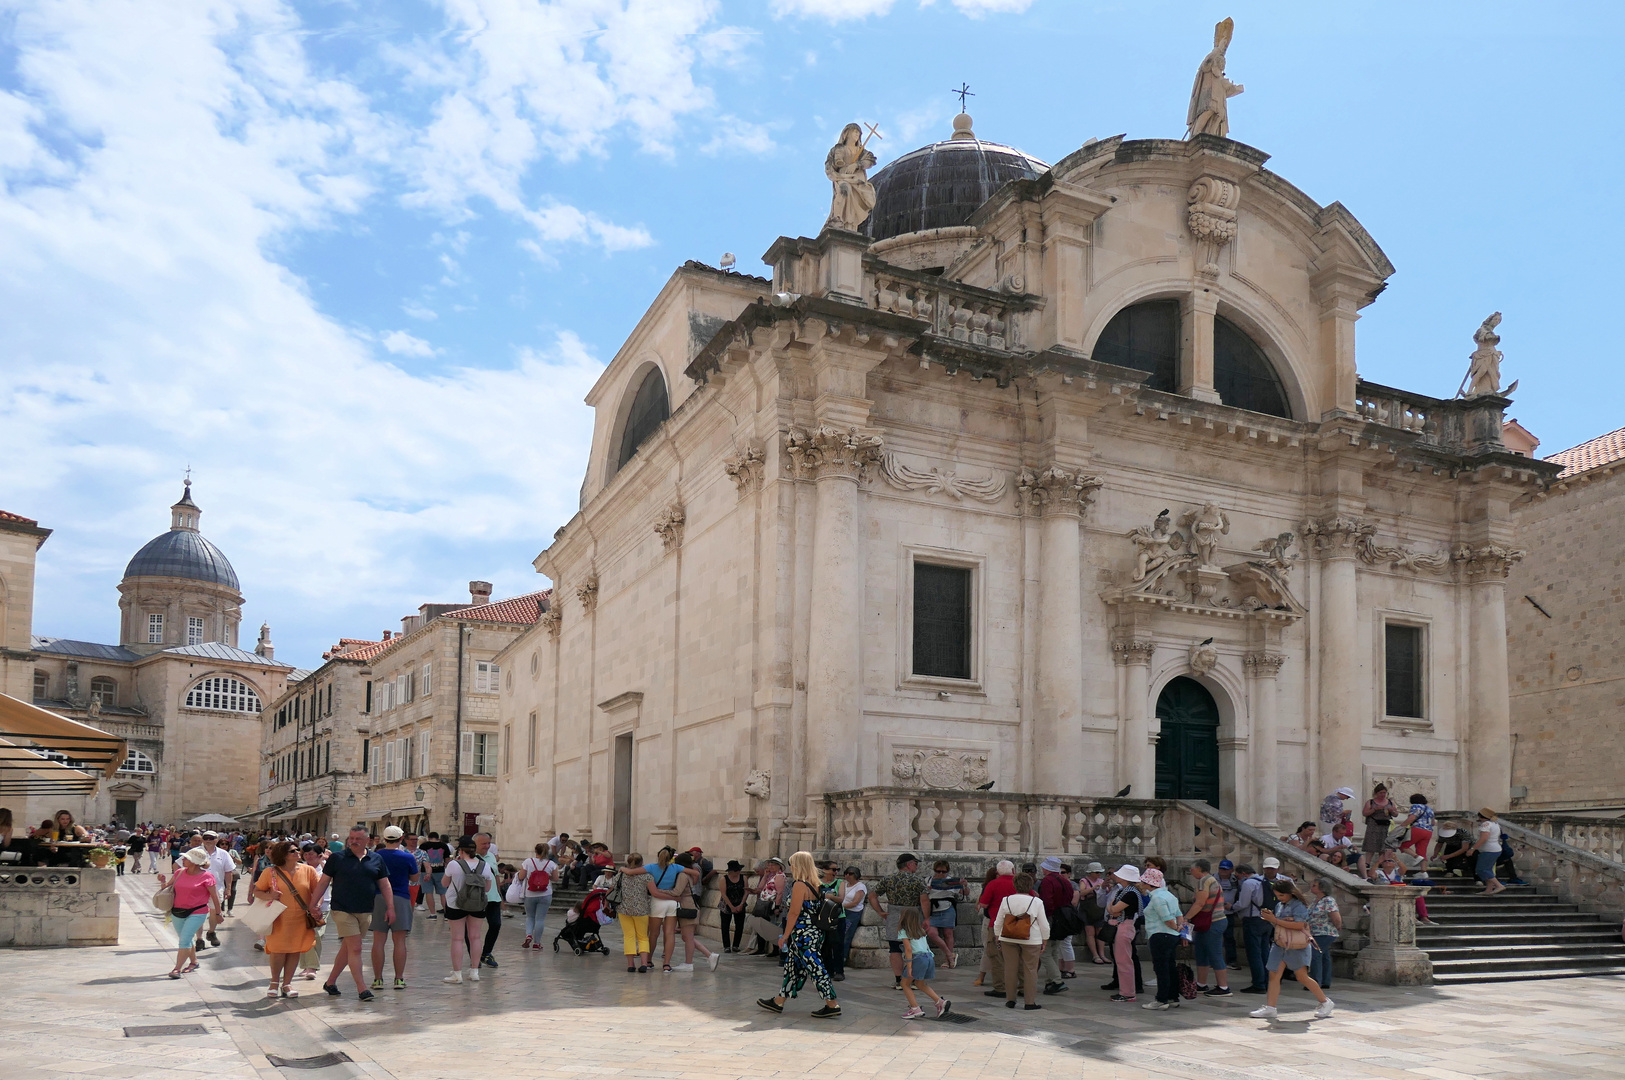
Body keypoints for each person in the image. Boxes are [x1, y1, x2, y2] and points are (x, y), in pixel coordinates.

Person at [755, 851, 841, 1019]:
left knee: (816, 968)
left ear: (799, 865)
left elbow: (794, 913)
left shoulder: (799, 885)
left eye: (792, 863)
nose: (791, 867)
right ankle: (779, 1000)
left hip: (803, 934)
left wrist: (784, 936)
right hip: (814, 932)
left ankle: (832, 1003)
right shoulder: (816, 884)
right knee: (793, 969)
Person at [321, 825, 392, 1000]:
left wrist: (391, 907)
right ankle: (362, 989)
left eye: (357, 839)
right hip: (342, 909)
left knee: (347, 948)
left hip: (365, 909)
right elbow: (323, 882)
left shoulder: (376, 859)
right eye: (351, 838)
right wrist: (313, 904)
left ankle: (330, 982)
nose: (353, 841)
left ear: (367, 840)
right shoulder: (337, 858)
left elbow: (384, 884)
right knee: (356, 948)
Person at [1250, 878, 1334, 1020]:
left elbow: (1300, 925)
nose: (1279, 898)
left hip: (1297, 945)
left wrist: (1275, 920)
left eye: (1282, 895)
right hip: (1280, 944)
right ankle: (1270, 1007)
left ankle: (1325, 1002)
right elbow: (1280, 926)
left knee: (1302, 976)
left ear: (1290, 892)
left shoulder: (1298, 905)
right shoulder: (1280, 906)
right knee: (1274, 974)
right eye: (1277, 895)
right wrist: (1271, 919)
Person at [253, 839, 325, 998]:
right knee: (278, 951)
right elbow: (257, 891)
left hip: (300, 918)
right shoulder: (270, 872)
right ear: (284, 855)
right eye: (293, 851)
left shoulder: (308, 871)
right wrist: (269, 895)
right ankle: (274, 982)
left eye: (297, 850)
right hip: (278, 918)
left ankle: (287, 984)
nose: (298, 852)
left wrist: (316, 906)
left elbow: (318, 892)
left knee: (294, 950)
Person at [868, 852, 929, 992]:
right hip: (912, 915)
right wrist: (926, 918)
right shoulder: (917, 880)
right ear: (909, 864)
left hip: (894, 914)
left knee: (895, 948)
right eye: (915, 863)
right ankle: (912, 979)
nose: (917, 866)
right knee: (914, 947)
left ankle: (898, 980)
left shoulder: (888, 879)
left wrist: (880, 911)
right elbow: (924, 900)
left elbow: (872, 896)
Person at [368, 826, 418, 990]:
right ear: (401, 838)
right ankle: (399, 979)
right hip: (401, 898)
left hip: (378, 897)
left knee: (378, 941)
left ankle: (378, 979)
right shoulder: (407, 857)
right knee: (400, 941)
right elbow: (414, 877)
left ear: (384, 839)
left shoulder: (375, 856)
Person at [158, 847, 220, 978]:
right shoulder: (179, 872)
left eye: (186, 858)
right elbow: (168, 888)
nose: (183, 860)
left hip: (198, 911)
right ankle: (194, 961)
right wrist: (163, 881)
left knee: (184, 940)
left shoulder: (207, 876)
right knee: (185, 939)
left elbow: (214, 896)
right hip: (177, 911)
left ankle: (177, 969)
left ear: (195, 862)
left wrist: (218, 914)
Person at [442, 836, 497, 984]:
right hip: (477, 905)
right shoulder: (484, 865)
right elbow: (487, 888)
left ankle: (457, 974)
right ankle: (474, 972)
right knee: (476, 937)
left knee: (457, 938)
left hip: (456, 904)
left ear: (460, 850)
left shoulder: (454, 865)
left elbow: (444, 883)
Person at [992, 870, 1048, 1010]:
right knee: (1030, 969)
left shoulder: (1006, 900)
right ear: (1030, 885)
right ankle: (1029, 1002)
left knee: (1010, 969)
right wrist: (1044, 939)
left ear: (1015, 885)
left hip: (1008, 937)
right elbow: (1044, 924)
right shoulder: (1037, 902)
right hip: (1031, 938)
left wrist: (997, 935)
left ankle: (1010, 999)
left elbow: (998, 921)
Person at [1183, 858, 1231, 996]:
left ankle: (1223, 987)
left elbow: (1200, 903)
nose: (1191, 872)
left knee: (1214, 953)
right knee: (1202, 952)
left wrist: (1186, 918)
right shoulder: (1212, 880)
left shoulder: (1203, 881)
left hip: (1212, 922)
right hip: (1214, 921)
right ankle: (1201, 984)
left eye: (1192, 869)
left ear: (1199, 869)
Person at [1140, 867, 1183, 1011]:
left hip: (1160, 935)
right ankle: (1172, 997)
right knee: (1170, 966)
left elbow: (1167, 919)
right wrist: (1179, 927)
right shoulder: (1169, 895)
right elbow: (1178, 914)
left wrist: (1175, 926)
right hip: (1171, 936)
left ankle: (1161, 999)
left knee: (1161, 968)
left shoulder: (1157, 898)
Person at [897, 907, 950, 1018]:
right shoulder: (921, 931)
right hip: (929, 957)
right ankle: (939, 1002)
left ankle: (915, 1008)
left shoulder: (904, 931)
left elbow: (908, 950)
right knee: (920, 983)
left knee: (904, 983)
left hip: (918, 958)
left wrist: (909, 966)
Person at [672, 851, 719, 971]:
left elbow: (677, 892)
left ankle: (689, 963)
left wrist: (659, 892)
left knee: (688, 937)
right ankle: (709, 955)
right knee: (687, 937)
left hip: (687, 906)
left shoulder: (683, 875)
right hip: (691, 905)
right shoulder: (689, 874)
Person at [641, 846, 685, 972]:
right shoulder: (676, 867)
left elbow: (633, 871)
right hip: (672, 901)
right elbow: (695, 873)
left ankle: (648, 960)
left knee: (654, 934)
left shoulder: (651, 867)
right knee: (670, 933)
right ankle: (666, 964)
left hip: (657, 902)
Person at [976, 860, 1017, 993]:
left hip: (997, 924)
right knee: (1017, 955)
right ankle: (1021, 986)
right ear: (1013, 870)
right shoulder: (1019, 883)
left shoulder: (993, 884)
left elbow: (984, 904)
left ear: (998, 872)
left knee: (996, 955)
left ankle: (1000, 987)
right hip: (1018, 924)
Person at [1035, 856, 1074, 995]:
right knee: (1054, 950)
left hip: (1051, 918)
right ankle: (1049, 981)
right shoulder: (1066, 882)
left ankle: (1057, 981)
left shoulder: (1047, 881)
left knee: (1044, 952)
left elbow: (1047, 901)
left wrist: (1044, 918)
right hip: (1063, 919)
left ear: (1047, 868)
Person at [611, 852, 654, 972]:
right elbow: (652, 891)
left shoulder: (620, 875)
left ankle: (630, 965)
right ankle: (644, 963)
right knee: (643, 937)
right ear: (641, 862)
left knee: (629, 936)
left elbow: (611, 888)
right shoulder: (647, 876)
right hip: (641, 909)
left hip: (624, 909)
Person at [296, 842, 331, 980]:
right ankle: (307, 966)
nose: (308, 857)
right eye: (305, 854)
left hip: (322, 907)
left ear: (319, 855)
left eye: (311, 854)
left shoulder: (326, 869)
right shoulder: (300, 868)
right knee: (305, 936)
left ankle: (312, 966)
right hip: (302, 907)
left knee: (316, 935)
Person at [1234, 863, 1270, 994]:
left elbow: (1243, 903)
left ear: (1243, 873)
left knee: (1254, 953)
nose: (1237, 879)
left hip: (1252, 920)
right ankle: (1266, 980)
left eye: (1237, 876)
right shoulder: (1264, 880)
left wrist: (1232, 907)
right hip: (1266, 919)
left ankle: (1258, 983)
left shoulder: (1248, 883)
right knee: (1265, 951)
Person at [925, 859, 966, 969]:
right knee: (931, 933)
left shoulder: (951, 881)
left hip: (947, 907)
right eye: (938, 871)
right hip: (933, 909)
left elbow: (964, 893)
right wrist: (927, 889)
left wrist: (964, 885)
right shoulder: (928, 880)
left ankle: (948, 960)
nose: (941, 874)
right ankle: (949, 954)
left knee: (948, 934)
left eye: (943, 872)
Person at [198, 831, 236, 950]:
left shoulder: (223, 854)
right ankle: (199, 939)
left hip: (217, 887)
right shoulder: (195, 852)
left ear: (217, 839)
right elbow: (180, 865)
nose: (208, 840)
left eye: (211, 838)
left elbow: (228, 871)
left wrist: (228, 888)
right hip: (198, 888)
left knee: (214, 911)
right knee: (198, 913)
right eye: (206, 838)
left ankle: (211, 932)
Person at [471, 832, 505, 967]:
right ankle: (474, 955)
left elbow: (496, 876)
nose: (487, 846)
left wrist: (500, 896)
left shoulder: (491, 856)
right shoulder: (470, 858)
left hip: (493, 898)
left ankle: (486, 953)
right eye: (483, 843)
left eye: (488, 843)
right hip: (476, 898)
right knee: (474, 929)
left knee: (496, 925)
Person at [519, 842, 560, 950]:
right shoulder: (551, 864)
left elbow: (521, 876)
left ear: (535, 851)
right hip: (545, 893)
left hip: (530, 893)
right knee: (540, 919)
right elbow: (556, 878)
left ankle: (528, 935)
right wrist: (546, 877)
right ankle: (537, 943)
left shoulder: (528, 862)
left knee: (530, 916)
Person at [743, 858, 785, 955]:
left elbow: (780, 893)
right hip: (764, 904)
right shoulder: (771, 876)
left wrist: (777, 907)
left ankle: (775, 949)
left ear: (779, 866)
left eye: (773, 865)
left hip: (772, 904)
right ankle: (761, 947)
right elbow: (760, 887)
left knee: (772, 927)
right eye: (770, 865)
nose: (770, 867)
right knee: (762, 925)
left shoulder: (779, 876)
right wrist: (765, 875)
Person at [1306, 877, 1342, 990]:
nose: (1312, 887)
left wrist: (1338, 926)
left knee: (1315, 954)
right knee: (1324, 955)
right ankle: (1325, 981)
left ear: (1322, 888)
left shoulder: (1328, 900)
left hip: (1325, 932)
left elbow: (1335, 916)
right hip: (1315, 932)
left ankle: (1315, 981)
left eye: (1314, 886)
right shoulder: (1315, 900)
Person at [1464, 809, 1508, 895]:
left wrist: (1472, 849)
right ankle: (1489, 889)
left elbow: (1483, 838)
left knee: (1481, 869)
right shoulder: (1495, 824)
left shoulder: (1485, 825)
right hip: (1495, 849)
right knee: (1488, 870)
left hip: (1489, 850)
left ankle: (1498, 885)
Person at [815, 861, 846, 980]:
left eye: (837, 869)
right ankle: (828, 969)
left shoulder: (840, 882)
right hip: (823, 917)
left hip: (837, 917)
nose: (835, 872)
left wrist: (830, 896)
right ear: (825, 870)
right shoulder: (818, 883)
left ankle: (839, 970)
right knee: (825, 945)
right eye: (833, 870)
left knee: (838, 944)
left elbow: (841, 898)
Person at [1359, 783, 1398, 878]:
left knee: (1383, 845)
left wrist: (1392, 810)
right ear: (1376, 793)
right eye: (1381, 793)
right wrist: (1375, 809)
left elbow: (1396, 814)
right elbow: (1365, 813)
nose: (1383, 795)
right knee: (1371, 844)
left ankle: (1382, 862)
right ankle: (1367, 863)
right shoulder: (1371, 802)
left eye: (1384, 793)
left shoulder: (1390, 802)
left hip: (1385, 825)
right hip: (1373, 825)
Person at [1077, 862, 1110, 965]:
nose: (1098, 875)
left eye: (1100, 872)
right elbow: (1081, 893)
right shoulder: (1084, 881)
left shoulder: (1101, 881)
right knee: (1090, 932)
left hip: (1098, 909)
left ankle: (1102, 954)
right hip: (1088, 909)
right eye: (1096, 872)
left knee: (1100, 932)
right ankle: (1095, 955)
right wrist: (1092, 888)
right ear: (1090, 872)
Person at [1214, 859, 1240, 969]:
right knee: (1214, 938)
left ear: (1231, 870)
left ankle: (1231, 961)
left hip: (1229, 913)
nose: (1223, 871)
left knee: (1229, 938)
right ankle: (1213, 960)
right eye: (1221, 868)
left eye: (1226, 869)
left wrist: (1234, 906)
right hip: (1214, 913)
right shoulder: (1212, 879)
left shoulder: (1236, 881)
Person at [1399, 793, 1435, 868]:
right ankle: (1423, 872)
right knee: (1422, 852)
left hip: (1418, 829)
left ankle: (1416, 857)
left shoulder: (1416, 806)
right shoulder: (1430, 809)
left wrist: (1402, 826)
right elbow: (1433, 822)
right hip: (1428, 831)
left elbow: (1412, 818)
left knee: (1403, 845)